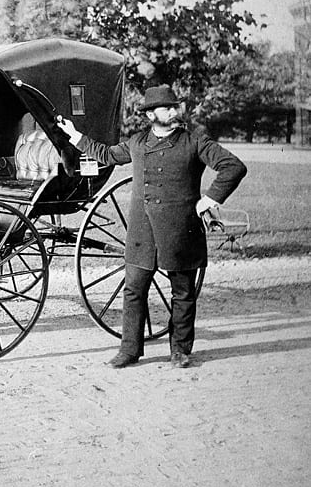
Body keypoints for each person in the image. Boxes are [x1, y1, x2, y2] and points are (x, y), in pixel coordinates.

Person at [57, 84, 247, 369]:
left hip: (181, 230)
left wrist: (208, 199)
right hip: (142, 231)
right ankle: (129, 350)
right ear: (150, 115)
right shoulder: (137, 143)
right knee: (133, 290)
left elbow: (233, 166)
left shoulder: (195, 141)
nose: (173, 111)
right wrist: (74, 135)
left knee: (182, 292)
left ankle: (180, 351)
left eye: (174, 106)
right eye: (166, 108)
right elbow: (106, 155)